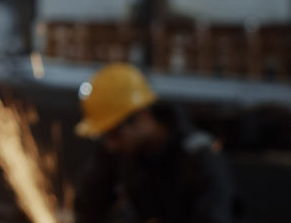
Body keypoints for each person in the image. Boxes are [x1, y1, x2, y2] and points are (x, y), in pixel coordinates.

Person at [74, 63, 236, 223]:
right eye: (105, 137)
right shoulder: (120, 152)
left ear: (142, 116)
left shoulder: (201, 160)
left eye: (114, 135)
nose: (111, 145)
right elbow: (88, 207)